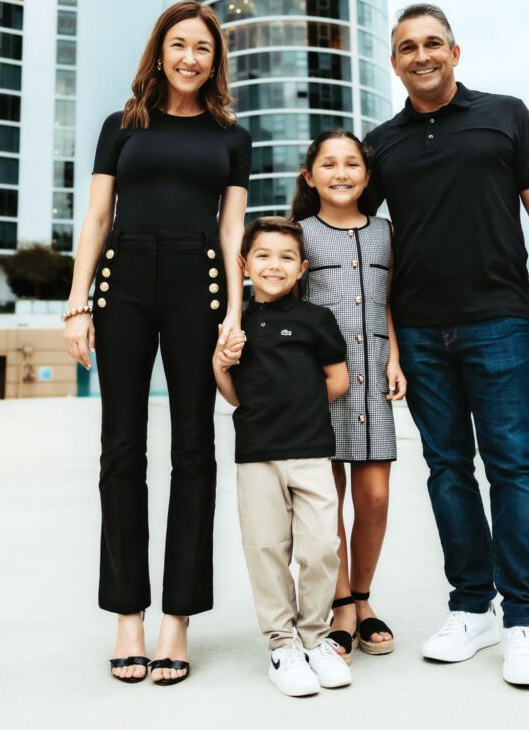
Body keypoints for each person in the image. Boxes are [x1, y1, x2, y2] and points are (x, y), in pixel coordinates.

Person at [364, 3, 529, 687]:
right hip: (421, 328)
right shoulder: (382, 146)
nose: (421, 55)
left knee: (511, 465)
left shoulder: (505, 115)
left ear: (456, 53)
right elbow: (351, 227)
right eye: (407, 47)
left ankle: (524, 621)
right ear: (393, 61)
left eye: (433, 44)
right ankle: (471, 608)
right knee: (448, 468)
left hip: (498, 319)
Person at [63, 0, 251, 684]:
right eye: (179, 45)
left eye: (203, 48)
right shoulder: (121, 126)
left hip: (197, 282)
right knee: (121, 447)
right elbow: (97, 215)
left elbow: (232, 232)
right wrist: (76, 302)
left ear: (215, 59)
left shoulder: (232, 135)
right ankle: (127, 616)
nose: (190, 58)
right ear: (160, 50)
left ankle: (177, 620)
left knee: (195, 448)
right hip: (125, 279)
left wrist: (236, 308)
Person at [213, 216, 353, 697]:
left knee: (320, 548)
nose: (275, 265)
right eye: (264, 255)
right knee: (267, 550)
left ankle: (314, 638)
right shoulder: (235, 325)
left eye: (286, 257)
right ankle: (282, 645)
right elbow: (233, 395)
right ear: (244, 265)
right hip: (256, 455)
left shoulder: (317, 320)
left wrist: (301, 409)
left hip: (312, 451)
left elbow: (338, 381)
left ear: (302, 267)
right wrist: (220, 362)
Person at [290, 130, 407, 663]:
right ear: (310, 176)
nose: (341, 173)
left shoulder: (386, 232)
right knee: (327, 501)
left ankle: (364, 595)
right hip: (321, 381)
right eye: (329, 164)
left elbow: (388, 302)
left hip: (375, 379)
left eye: (352, 164)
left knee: (375, 497)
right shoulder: (301, 234)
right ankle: (342, 606)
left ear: (366, 175)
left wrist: (396, 358)